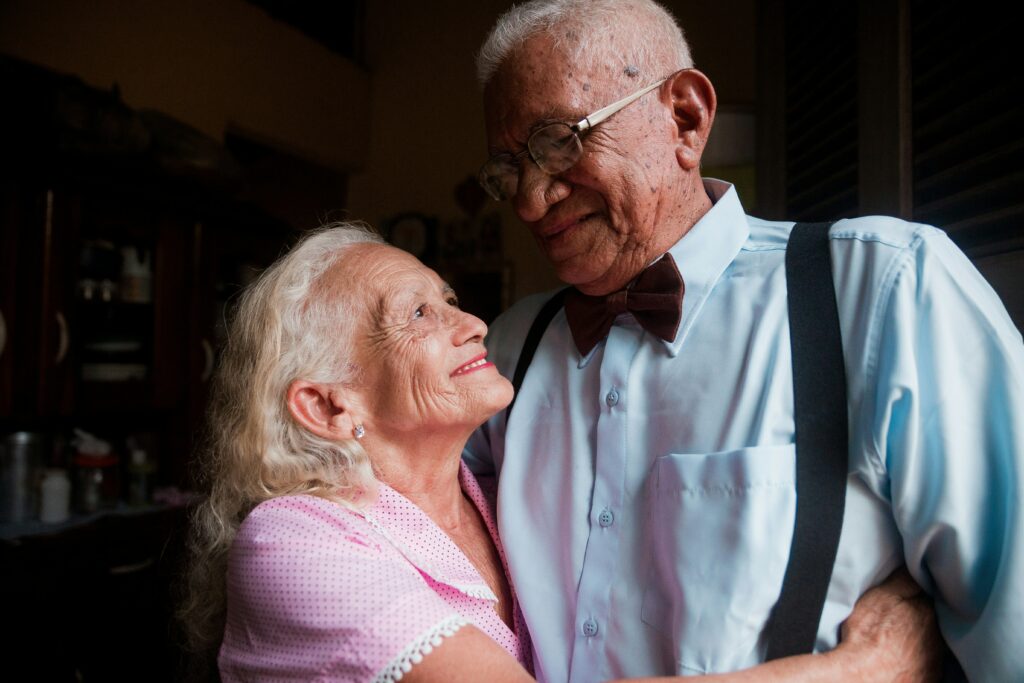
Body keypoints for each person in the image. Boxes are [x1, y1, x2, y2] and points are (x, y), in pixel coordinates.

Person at [465, 1, 1024, 682]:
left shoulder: (886, 291)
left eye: (558, 142)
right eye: (508, 169)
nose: (529, 201)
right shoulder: (505, 349)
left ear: (685, 118)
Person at [179, 223, 935, 683]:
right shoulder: (291, 542)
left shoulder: (489, 493)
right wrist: (863, 669)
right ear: (327, 405)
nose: (473, 324)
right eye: (418, 314)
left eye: (450, 299)